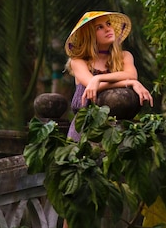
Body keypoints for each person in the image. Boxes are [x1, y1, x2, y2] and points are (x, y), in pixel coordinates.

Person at [64, 10, 153, 141]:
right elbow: (92, 85)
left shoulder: (124, 56)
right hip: (84, 130)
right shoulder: (78, 61)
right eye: (100, 27)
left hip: (115, 128)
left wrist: (99, 78)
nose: (107, 29)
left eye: (108, 24)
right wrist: (130, 83)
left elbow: (131, 75)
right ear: (89, 35)